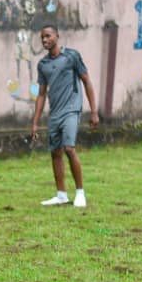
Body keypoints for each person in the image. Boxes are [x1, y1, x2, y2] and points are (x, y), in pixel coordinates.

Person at [31, 24, 100, 207]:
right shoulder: (43, 65)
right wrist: (35, 122)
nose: (45, 40)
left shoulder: (72, 56)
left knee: (69, 148)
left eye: (48, 36)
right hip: (55, 113)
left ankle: (80, 193)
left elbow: (86, 81)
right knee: (55, 152)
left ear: (57, 36)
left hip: (71, 109)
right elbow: (41, 94)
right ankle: (61, 194)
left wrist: (94, 112)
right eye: (42, 38)